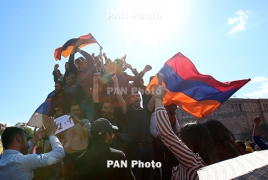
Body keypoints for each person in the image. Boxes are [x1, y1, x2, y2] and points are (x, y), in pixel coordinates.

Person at [154, 83, 218, 180]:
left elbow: (167, 135)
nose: (179, 141)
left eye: (182, 138)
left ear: (191, 140)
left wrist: (158, 98)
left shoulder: (192, 161)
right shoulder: (203, 160)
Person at [0, 118, 65, 180]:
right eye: (26, 139)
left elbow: (23, 150)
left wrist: (35, 138)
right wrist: (51, 134)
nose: (27, 143)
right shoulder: (23, 161)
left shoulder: (2, 159)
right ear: (18, 138)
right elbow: (59, 153)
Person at [61, 105, 91, 180]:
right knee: (67, 177)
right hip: (67, 154)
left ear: (80, 111)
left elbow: (90, 133)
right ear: (70, 112)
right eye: (73, 110)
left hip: (79, 154)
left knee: (78, 177)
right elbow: (62, 136)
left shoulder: (86, 121)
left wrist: (79, 122)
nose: (76, 112)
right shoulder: (67, 123)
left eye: (77, 110)